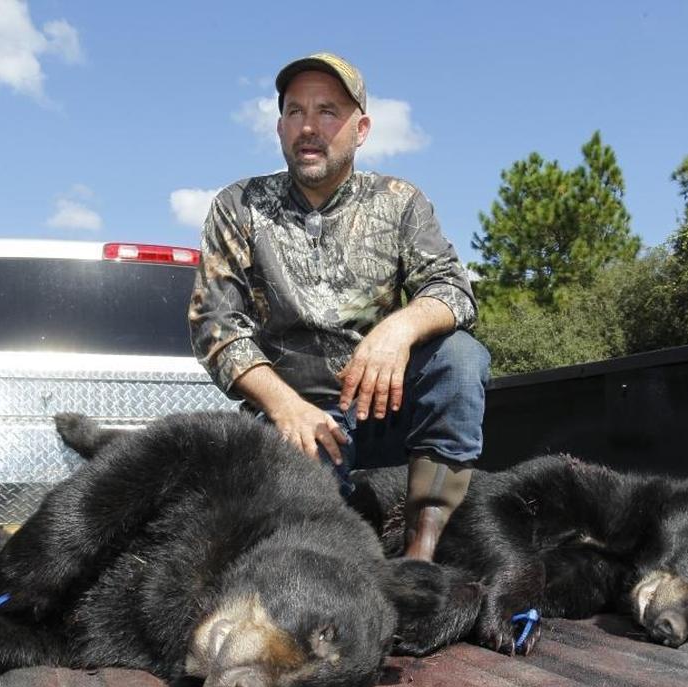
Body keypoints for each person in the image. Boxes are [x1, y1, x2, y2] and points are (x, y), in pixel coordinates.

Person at [188, 52, 490, 562]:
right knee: (302, 549)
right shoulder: (238, 205)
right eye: (294, 111)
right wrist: (285, 408)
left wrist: (399, 330)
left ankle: (423, 553)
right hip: (295, 419)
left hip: (386, 411)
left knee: (460, 355)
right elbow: (215, 327)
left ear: (361, 127)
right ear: (280, 126)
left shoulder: (400, 202)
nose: (309, 126)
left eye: (328, 111)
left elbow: (454, 291)